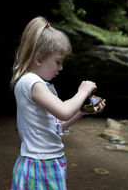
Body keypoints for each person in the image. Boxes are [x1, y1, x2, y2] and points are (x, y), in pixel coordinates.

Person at [10, 17, 106, 189]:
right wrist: (82, 91)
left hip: (50, 161)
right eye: (58, 62)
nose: (61, 68)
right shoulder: (30, 82)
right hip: (39, 164)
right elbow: (63, 111)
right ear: (39, 59)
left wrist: (82, 111)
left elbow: (57, 125)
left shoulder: (41, 85)